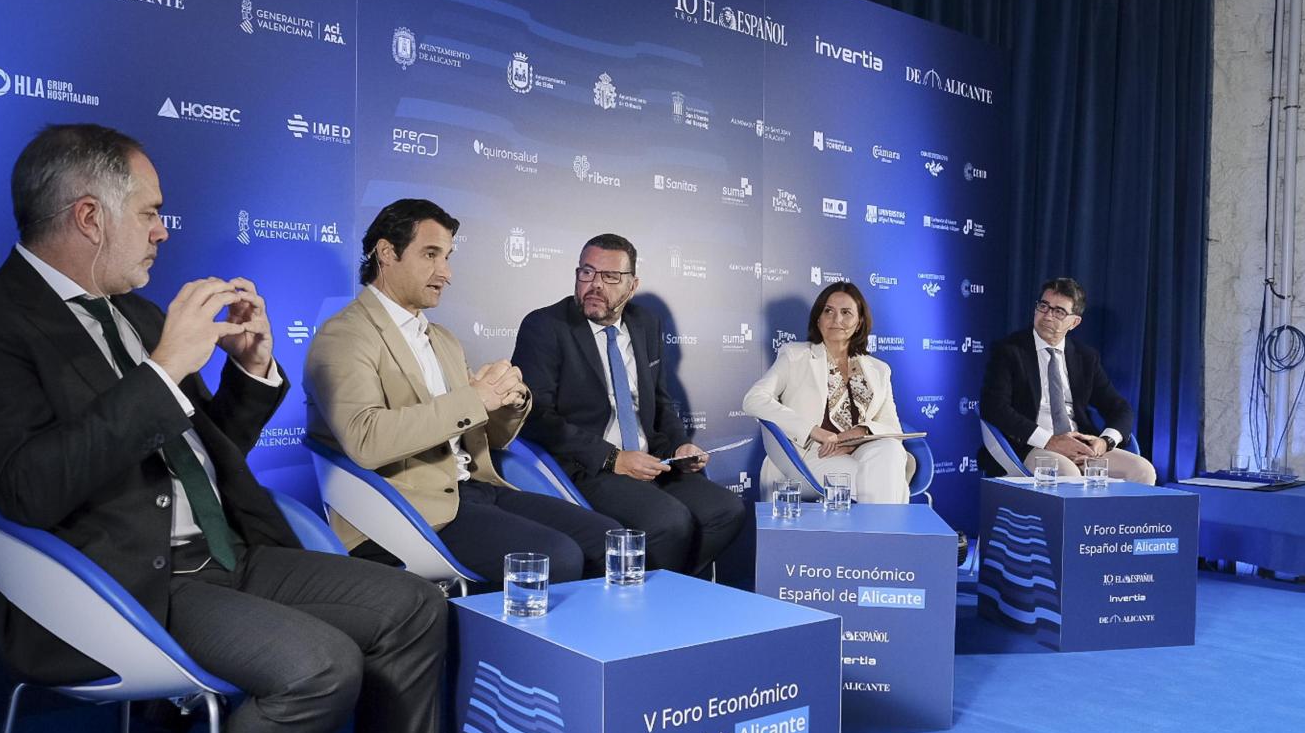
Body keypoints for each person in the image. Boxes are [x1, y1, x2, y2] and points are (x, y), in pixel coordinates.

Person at [0, 125, 441, 733]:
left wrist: (251, 377)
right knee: (320, 666)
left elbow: (193, 455)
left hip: (231, 553)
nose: (165, 230)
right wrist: (163, 373)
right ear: (90, 217)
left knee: (415, 607)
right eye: (151, 212)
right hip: (123, 583)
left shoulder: (138, 315)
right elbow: (28, 487)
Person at [304, 199, 617, 586]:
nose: (446, 273)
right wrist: (474, 399)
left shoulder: (443, 339)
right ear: (387, 253)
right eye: (431, 255)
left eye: (447, 257)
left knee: (609, 542)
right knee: (559, 557)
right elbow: (366, 439)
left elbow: (490, 437)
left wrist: (508, 400)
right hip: (406, 510)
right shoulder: (345, 335)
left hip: (477, 489)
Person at [512, 233, 747, 576]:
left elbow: (661, 401)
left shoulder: (645, 324)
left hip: (653, 461)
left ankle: (664, 590)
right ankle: (655, 606)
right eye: (587, 273)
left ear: (632, 285)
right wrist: (613, 458)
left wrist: (680, 444)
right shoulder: (546, 326)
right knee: (670, 522)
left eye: (610, 277)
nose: (594, 285)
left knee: (726, 510)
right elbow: (537, 417)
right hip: (589, 467)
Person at [743, 281, 913, 502]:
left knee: (890, 450)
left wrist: (860, 432)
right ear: (818, 318)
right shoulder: (795, 356)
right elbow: (754, 400)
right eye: (828, 311)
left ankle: (878, 535)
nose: (837, 320)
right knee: (880, 480)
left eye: (846, 312)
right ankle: (887, 535)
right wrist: (814, 430)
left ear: (859, 321)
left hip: (862, 450)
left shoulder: (879, 369)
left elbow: (892, 428)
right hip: (813, 455)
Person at [978, 276, 1157, 483]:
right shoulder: (1009, 351)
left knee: (1142, 471)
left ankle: (1116, 518)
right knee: (1068, 474)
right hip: (1030, 446)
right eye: (1043, 306)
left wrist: (1104, 442)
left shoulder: (1085, 357)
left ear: (1074, 322)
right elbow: (994, 407)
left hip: (1081, 446)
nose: (1047, 316)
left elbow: (1120, 408)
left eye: (1059, 312)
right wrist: (1050, 441)